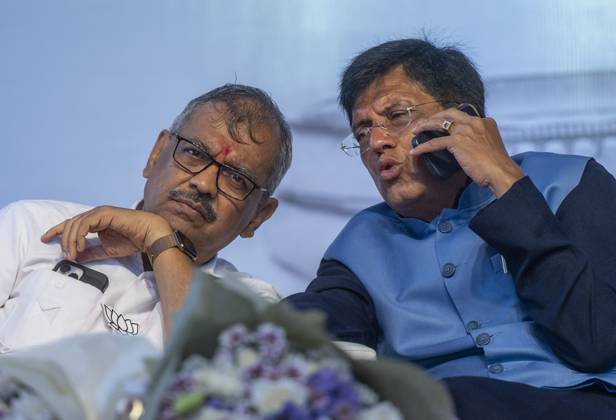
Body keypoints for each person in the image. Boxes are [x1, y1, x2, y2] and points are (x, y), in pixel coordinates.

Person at [286, 38, 616, 419]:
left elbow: (597, 341)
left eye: (397, 115)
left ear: (462, 120)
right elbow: (318, 319)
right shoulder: (362, 242)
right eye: (362, 132)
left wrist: (508, 186)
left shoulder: (568, 182)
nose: (376, 142)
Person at [0, 83, 292, 351]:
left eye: (235, 178)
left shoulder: (255, 307)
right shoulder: (33, 226)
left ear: (258, 216)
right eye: (194, 153)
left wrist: (160, 239)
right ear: (156, 154)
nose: (203, 184)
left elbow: (207, 381)